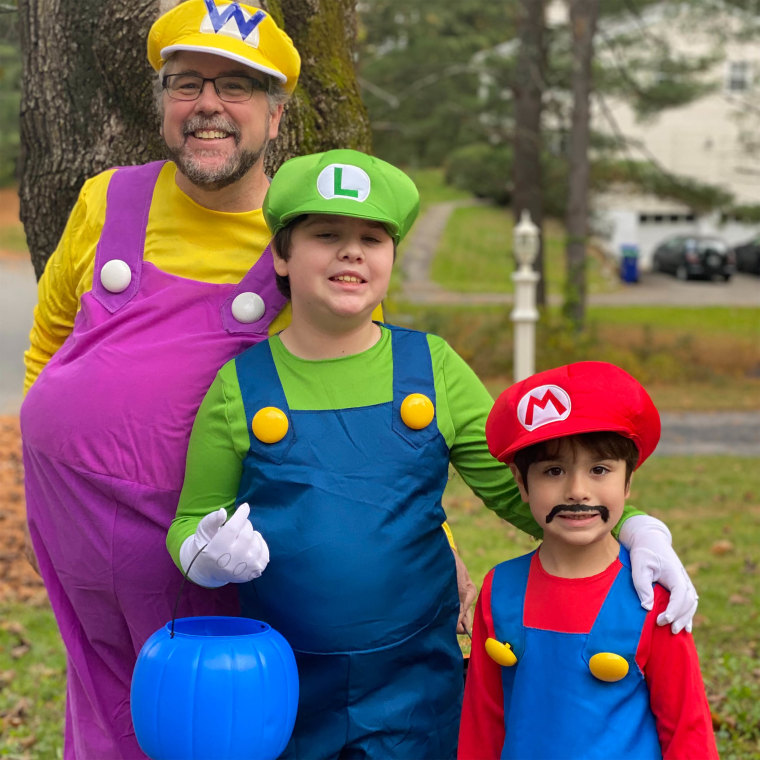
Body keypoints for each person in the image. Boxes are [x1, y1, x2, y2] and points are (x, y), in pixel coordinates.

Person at [168, 152, 700, 759]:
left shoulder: (433, 367)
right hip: (281, 681)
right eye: (326, 235)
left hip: (415, 683)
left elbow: (521, 489)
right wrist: (203, 555)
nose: (351, 253)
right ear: (282, 256)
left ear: (391, 257)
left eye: (371, 238)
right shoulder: (239, 385)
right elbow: (192, 518)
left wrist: (638, 530)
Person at [20, 2, 302, 758]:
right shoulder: (106, 198)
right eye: (186, 84)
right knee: (102, 703)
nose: (208, 104)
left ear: (276, 117)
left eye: (236, 86)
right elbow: (50, 338)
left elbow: (359, 396)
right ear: (163, 106)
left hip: (201, 553)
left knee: (201, 716)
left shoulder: (301, 238)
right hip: (75, 534)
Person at [458, 361, 719, 760]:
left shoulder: (652, 595)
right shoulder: (500, 588)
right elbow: (482, 720)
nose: (578, 490)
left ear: (628, 481)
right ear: (520, 483)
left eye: (599, 469)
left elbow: (687, 729)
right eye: (553, 471)